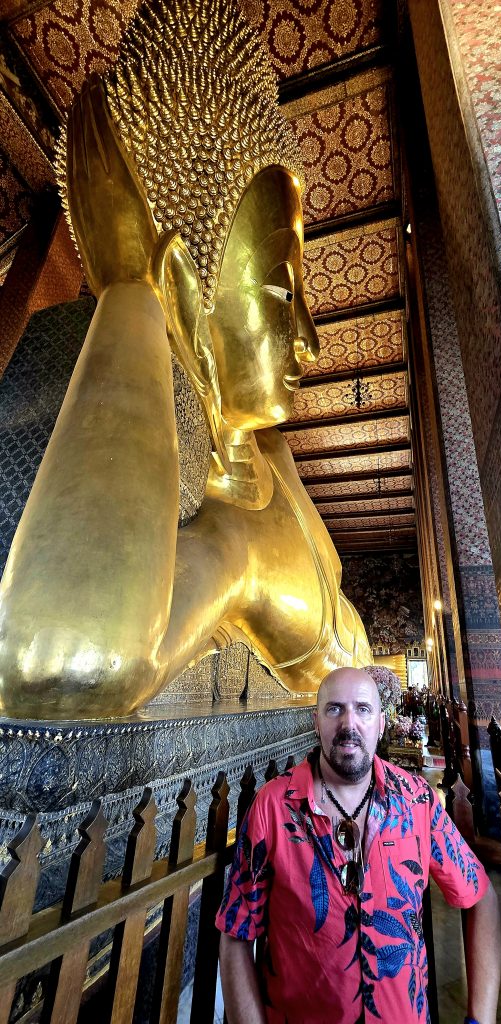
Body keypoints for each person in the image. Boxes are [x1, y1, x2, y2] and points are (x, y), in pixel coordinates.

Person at [0, 0, 371, 720]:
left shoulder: (279, 461)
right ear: (183, 291)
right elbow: (67, 659)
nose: (309, 340)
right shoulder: (229, 540)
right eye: (279, 292)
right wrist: (131, 294)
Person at [217, 667, 501, 1023]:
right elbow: (236, 935)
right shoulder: (274, 807)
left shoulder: (416, 801)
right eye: (334, 709)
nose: (348, 723)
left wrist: (481, 1019)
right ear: (316, 722)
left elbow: (480, 894)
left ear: (381, 723)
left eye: (363, 709)